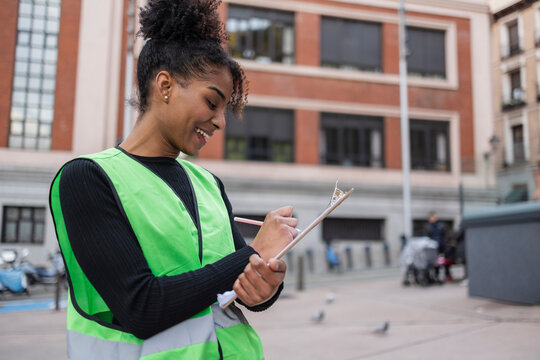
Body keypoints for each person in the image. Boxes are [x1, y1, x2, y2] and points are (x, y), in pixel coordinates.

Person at [48, 1, 298, 359]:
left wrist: (262, 286)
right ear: (165, 86)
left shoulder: (208, 183)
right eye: (212, 103)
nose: (220, 122)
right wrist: (252, 253)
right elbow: (141, 307)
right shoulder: (88, 178)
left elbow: (230, 289)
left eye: (224, 109)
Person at [423, 211, 452, 282]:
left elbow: (446, 235)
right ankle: (436, 275)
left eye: (433, 217)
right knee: (436, 262)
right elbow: (426, 236)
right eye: (431, 217)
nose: (432, 219)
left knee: (444, 261)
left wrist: (445, 244)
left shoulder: (441, 225)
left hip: (442, 247)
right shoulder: (427, 226)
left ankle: (447, 274)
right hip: (433, 247)